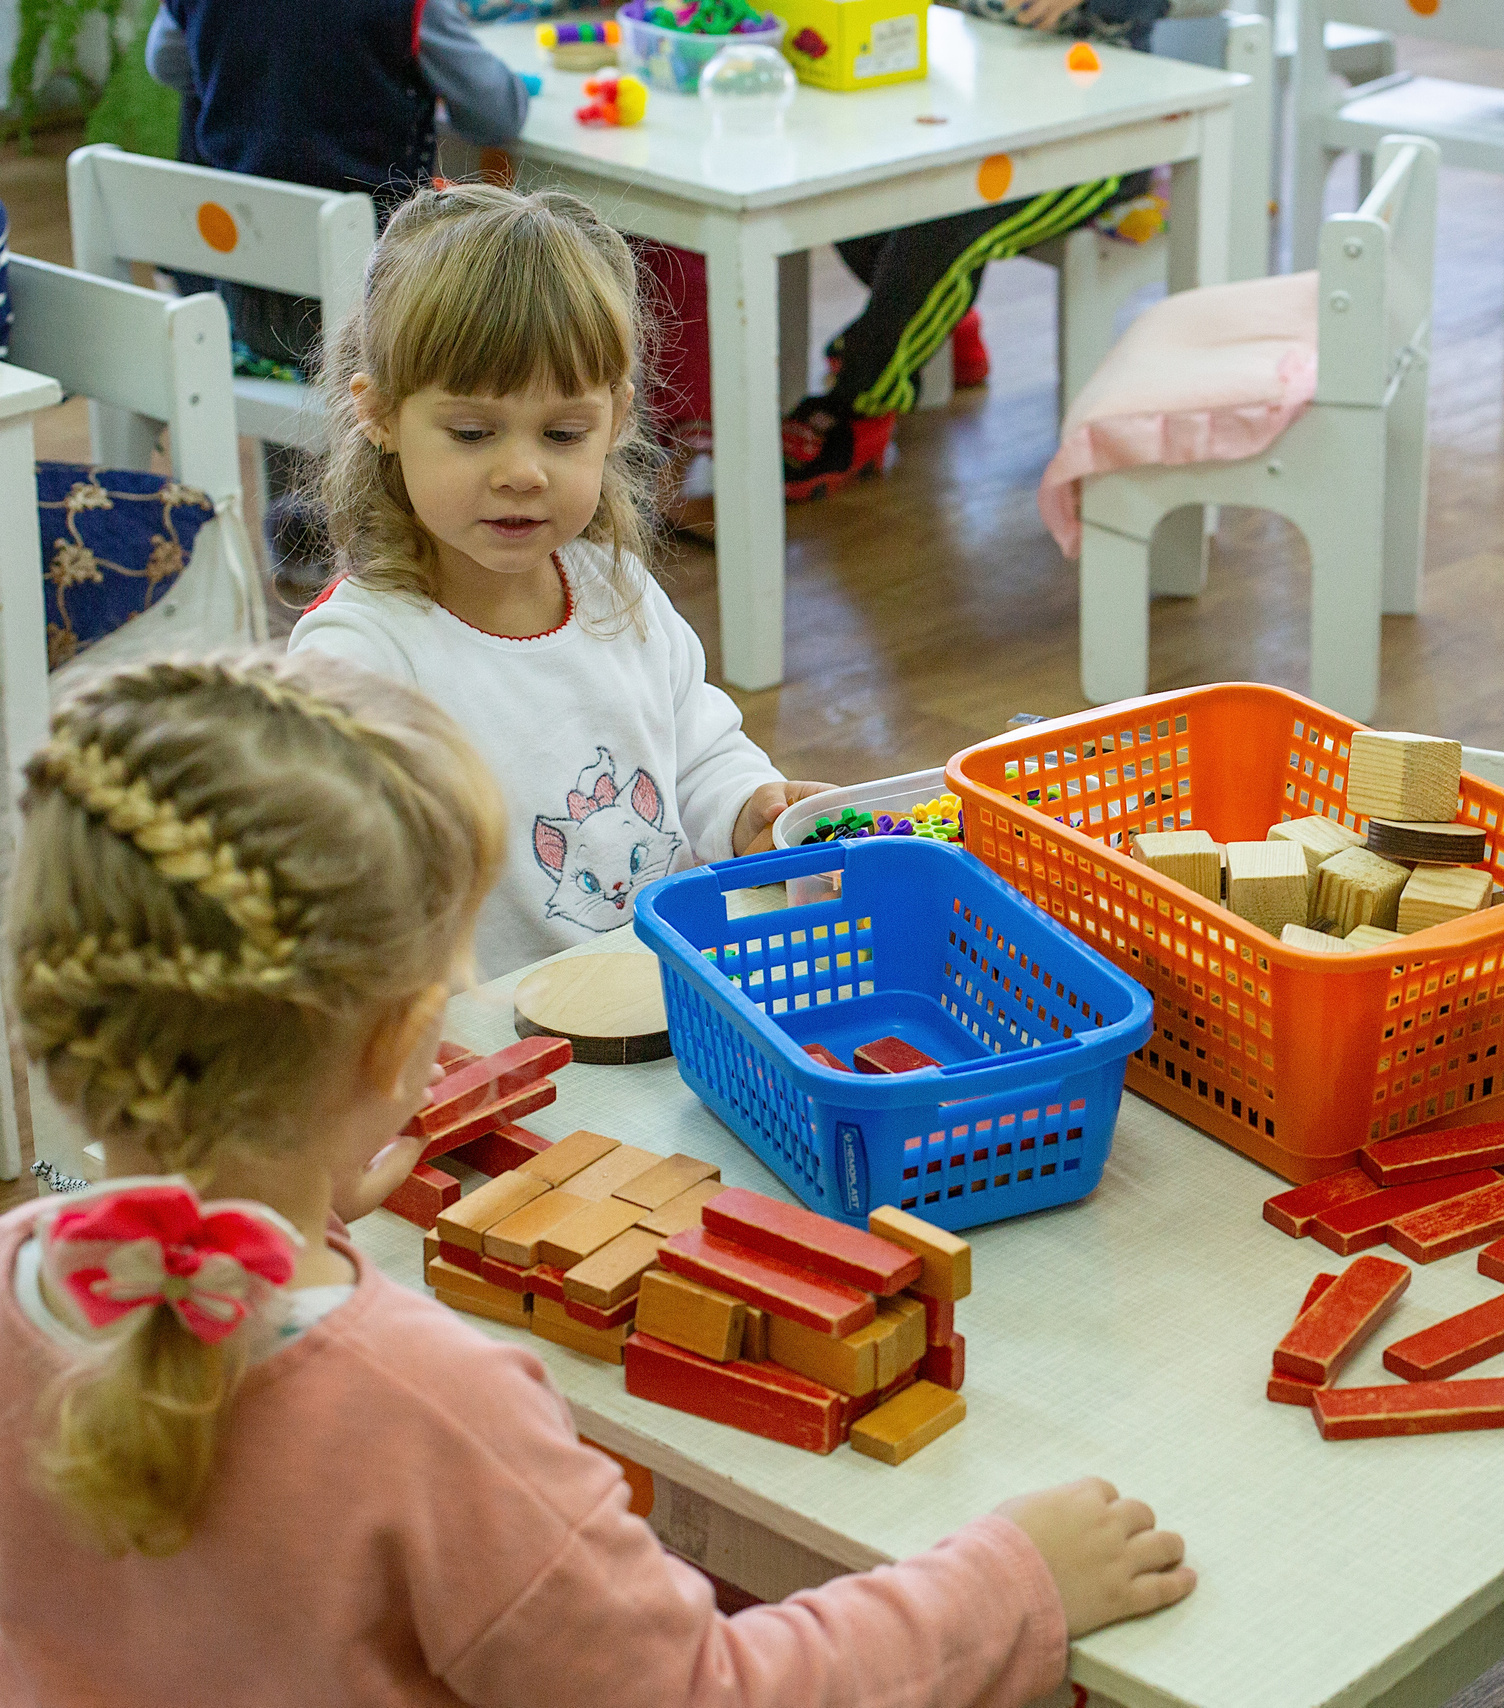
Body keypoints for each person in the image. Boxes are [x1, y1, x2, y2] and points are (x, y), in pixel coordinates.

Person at [0, 651, 1196, 1705]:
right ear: (396, 1046)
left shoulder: (22, 1280)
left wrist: (300, 1200)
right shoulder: (433, 1410)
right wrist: (1011, 1580)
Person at [289, 184, 828, 979]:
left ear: (615, 421)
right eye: (473, 433)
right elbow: (336, 900)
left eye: (563, 433)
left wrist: (753, 809)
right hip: (500, 1053)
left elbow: (699, 754)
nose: (522, 472)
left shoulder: (617, 589)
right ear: (379, 414)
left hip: (672, 998)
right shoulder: (360, 653)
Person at [146, 0, 530, 596]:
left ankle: (300, 534)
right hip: (371, 310)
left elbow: (167, 61)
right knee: (420, 299)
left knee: (289, 281)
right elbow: (495, 111)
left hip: (236, 303)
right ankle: (398, 553)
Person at [779, 0, 1211, 497]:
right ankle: (935, 312)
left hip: (1103, 146)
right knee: (850, 184)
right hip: (987, 126)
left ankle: (858, 406)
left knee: (942, 229)